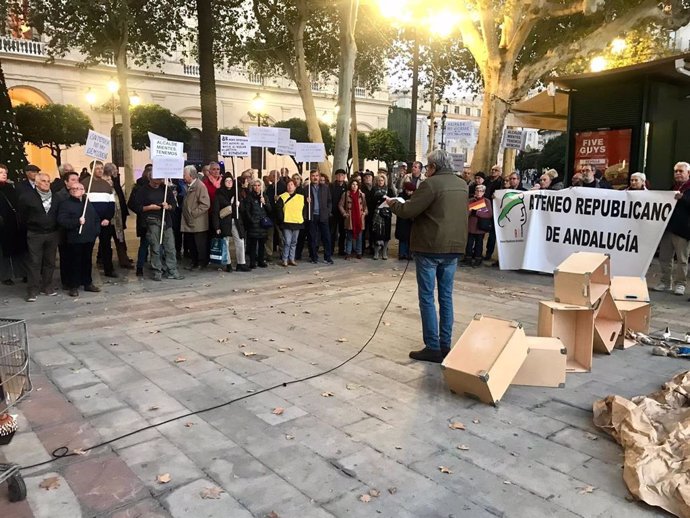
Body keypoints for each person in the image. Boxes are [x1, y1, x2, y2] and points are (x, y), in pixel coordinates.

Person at [386, 150, 468, 363]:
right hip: (454, 248)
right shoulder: (462, 185)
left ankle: (432, 346)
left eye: (428, 167)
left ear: (433, 167)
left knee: (427, 297)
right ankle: (445, 344)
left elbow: (409, 211)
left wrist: (392, 203)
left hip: (430, 247)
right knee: (446, 296)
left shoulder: (430, 184)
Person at [17, 172, 60, 301]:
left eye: (48, 181)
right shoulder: (27, 197)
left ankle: (47, 286)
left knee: (50, 262)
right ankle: (32, 290)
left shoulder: (56, 197)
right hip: (35, 234)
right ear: (36, 183)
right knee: (34, 262)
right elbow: (22, 216)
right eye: (43, 181)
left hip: (52, 233)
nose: (46, 183)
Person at [133, 176, 184, 281]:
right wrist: (149, 207)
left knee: (170, 247)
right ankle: (157, 270)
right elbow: (135, 206)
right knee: (155, 247)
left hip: (166, 221)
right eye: (157, 179)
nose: (159, 182)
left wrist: (168, 206)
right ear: (151, 178)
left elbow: (173, 205)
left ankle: (172, 270)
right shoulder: (143, 190)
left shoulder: (165, 189)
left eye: (161, 179)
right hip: (151, 220)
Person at [56, 182, 101, 297]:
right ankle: (73, 285)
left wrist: (96, 231)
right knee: (74, 262)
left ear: (84, 191)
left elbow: (95, 218)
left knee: (87, 261)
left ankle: (87, 283)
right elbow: (62, 220)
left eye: (79, 188)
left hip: (89, 238)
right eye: (74, 188)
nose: (76, 190)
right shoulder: (65, 204)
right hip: (74, 238)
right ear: (70, 190)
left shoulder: (87, 203)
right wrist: (77, 222)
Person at [654, 162, 690, 296]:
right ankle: (665, 282)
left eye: (681, 171)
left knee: (682, 259)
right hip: (668, 228)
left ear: (688, 173)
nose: (678, 173)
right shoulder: (673, 187)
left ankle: (680, 284)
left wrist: (684, 199)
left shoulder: (688, 189)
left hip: (683, 230)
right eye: (676, 171)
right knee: (665, 257)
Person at [82, 161, 118, 278]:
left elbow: (111, 203)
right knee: (87, 247)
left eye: (101, 168)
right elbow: (82, 204)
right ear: (91, 169)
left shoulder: (107, 185)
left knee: (106, 246)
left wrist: (108, 217)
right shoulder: (84, 184)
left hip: (105, 221)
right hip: (90, 222)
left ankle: (109, 269)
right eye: (97, 168)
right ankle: (85, 272)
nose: (100, 170)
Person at [211, 173, 250, 272]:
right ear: (224, 182)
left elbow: (243, 210)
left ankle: (241, 263)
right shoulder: (219, 194)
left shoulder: (236, 193)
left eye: (230, 181)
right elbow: (215, 211)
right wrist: (217, 227)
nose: (229, 183)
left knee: (240, 242)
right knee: (226, 243)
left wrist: (239, 205)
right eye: (227, 181)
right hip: (224, 222)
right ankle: (228, 264)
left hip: (236, 221)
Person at [103, 163, 133, 269]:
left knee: (120, 239)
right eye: (115, 169)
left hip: (119, 217)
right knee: (110, 241)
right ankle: (107, 260)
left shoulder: (116, 182)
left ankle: (124, 259)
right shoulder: (107, 187)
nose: (117, 171)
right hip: (110, 219)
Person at [0, 163, 27, 285]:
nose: (4, 175)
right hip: (2, 224)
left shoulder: (10, 188)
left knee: (18, 248)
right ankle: (6, 275)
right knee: (4, 251)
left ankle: (22, 272)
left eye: (5, 172)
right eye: (1, 173)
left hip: (14, 222)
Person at [181, 165, 211, 270]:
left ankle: (201, 263)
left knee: (199, 244)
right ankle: (194, 262)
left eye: (185, 175)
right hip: (189, 222)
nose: (183, 177)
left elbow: (205, 204)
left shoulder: (200, 186)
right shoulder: (189, 186)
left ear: (191, 175)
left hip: (198, 222)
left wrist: (193, 213)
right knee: (191, 244)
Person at [241, 179, 273, 268]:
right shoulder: (249, 197)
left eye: (259, 185)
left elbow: (269, 210)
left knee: (262, 243)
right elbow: (247, 211)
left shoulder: (264, 197)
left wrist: (264, 203)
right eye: (255, 185)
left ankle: (261, 260)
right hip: (254, 223)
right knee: (253, 244)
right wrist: (252, 220)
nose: (257, 187)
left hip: (263, 223)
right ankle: (252, 261)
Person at [128, 165, 152, 276]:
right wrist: (142, 209)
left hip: (155, 219)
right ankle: (140, 267)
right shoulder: (138, 188)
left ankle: (154, 264)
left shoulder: (160, 187)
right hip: (144, 220)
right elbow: (132, 204)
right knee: (144, 244)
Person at [276, 178, 305, 266]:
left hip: (297, 221)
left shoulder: (300, 197)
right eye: (288, 185)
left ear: (295, 186)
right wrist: (282, 219)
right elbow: (279, 209)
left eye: (291, 185)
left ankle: (291, 258)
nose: (290, 187)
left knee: (294, 242)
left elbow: (304, 208)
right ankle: (285, 259)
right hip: (286, 222)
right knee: (287, 242)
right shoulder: (282, 197)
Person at [306, 169, 333, 265]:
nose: (315, 177)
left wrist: (328, 211)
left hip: (323, 216)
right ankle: (313, 257)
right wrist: (307, 201)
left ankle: (328, 257)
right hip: (312, 215)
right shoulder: (306, 189)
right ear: (310, 177)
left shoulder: (325, 187)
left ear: (319, 176)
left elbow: (329, 201)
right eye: (313, 175)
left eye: (316, 175)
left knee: (326, 237)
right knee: (312, 237)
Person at [463, 184, 493, 267]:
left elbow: (489, 214)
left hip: (480, 227)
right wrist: (470, 211)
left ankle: (477, 259)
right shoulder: (470, 200)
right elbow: (466, 212)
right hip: (470, 226)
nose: (479, 192)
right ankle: (468, 259)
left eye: (481, 191)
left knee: (479, 244)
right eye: (477, 190)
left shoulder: (487, 201)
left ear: (483, 192)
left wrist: (476, 212)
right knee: (469, 244)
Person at [339, 178, 367, 259]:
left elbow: (365, 206)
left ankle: (359, 252)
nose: (354, 186)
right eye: (353, 184)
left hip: (359, 218)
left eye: (356, 185)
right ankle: (348, 252)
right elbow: (340, 205)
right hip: (350, 218)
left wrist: (364, 213)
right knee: (349, 237)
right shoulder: (346, 194)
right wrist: (344, 213)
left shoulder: (362, 195)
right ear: (350, 185)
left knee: (359, 237)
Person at [370, 173, 394, 260]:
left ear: (385, 181)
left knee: (386, 234)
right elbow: (371, 201)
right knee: (376, 233)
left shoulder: (389, 190)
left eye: (382, 180)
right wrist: (378, 199)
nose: (380, 182)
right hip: (376, 214)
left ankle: (384, 252)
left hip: (386, 214)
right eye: (379, 180)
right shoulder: (374, 189)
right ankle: (376, 252)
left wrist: (387, 200)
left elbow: (392, 200)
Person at [330, 169, 348, 257]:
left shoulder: (347, 186)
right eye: (338, 175)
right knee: (332, 232)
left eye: (342, 175)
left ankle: (341, 249)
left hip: (343, 213)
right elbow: (328, 199)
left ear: (344, 176)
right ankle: (331, 249)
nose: (340, 176)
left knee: (343, 232)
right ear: (336, 176)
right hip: (333, 213)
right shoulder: (331, 186)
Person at [395, 182, 415, 260]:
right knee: (403, 238)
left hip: (411, 220)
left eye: (411, 191)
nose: (409, 192)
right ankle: (402, 253)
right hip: (402, 220)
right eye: (408, 190)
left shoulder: (415, 197)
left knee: (410, 238)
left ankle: (409, 254)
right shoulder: (401, 196)